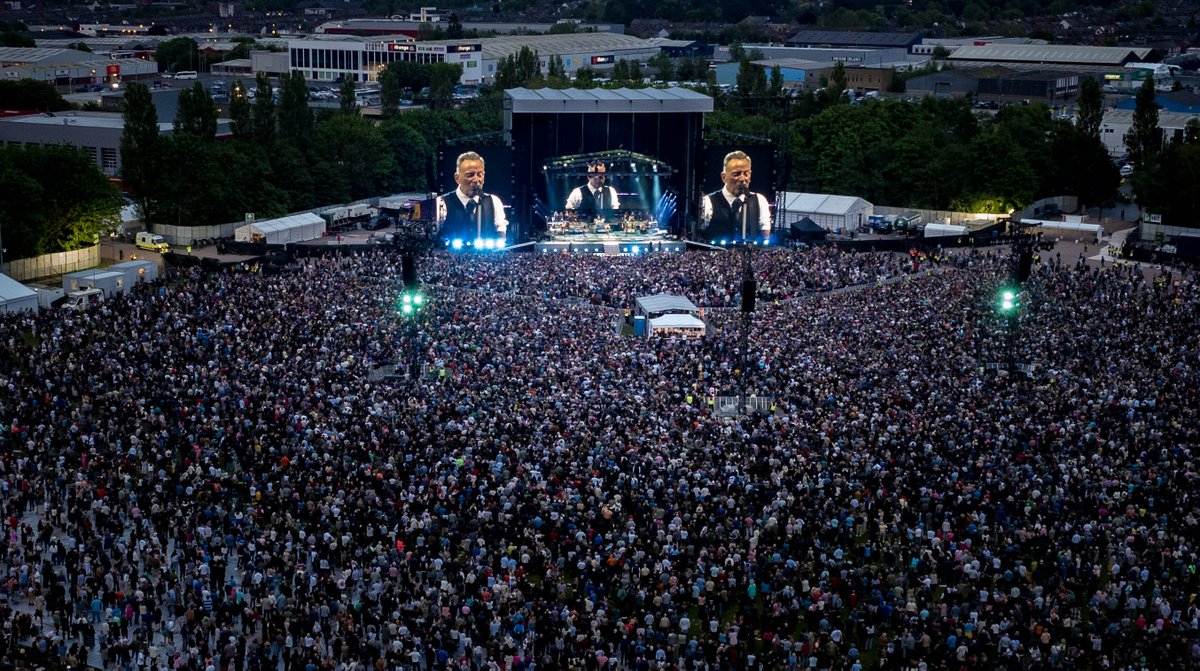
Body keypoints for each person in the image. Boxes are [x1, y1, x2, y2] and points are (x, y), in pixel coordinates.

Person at [699, 150, 772, 243]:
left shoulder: (759, 200)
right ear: (724, 177)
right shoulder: (708, 201)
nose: (742, 179)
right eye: (736, 174)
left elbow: (765, 236)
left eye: (746, 174)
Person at [437, 151, 509, 244]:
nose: (476, 180)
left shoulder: (493, 201)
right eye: (470, 175)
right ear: (457, 178)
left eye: (480, 175)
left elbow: (501, 233)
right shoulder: (442, 203)